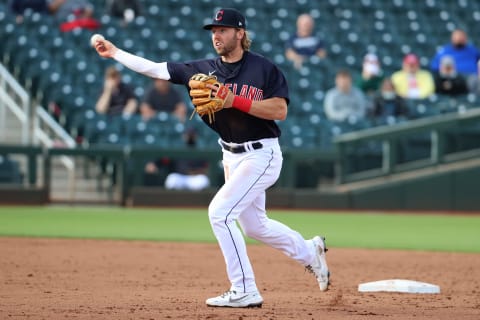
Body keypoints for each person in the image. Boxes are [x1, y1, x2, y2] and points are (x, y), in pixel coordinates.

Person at [92, 7, 329, 308]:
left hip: (262, 154)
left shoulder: (263, 69)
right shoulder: (203, 70)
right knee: (256, 226)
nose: (216, 35)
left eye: (223, 30)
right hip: (230, 155)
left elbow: (279, 110)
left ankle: (244, 288)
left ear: (240, 33)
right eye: (213, 31)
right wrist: (115, 53)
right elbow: (155, 68)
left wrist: (233, 100)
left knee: (219, 213)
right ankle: (311, 252)